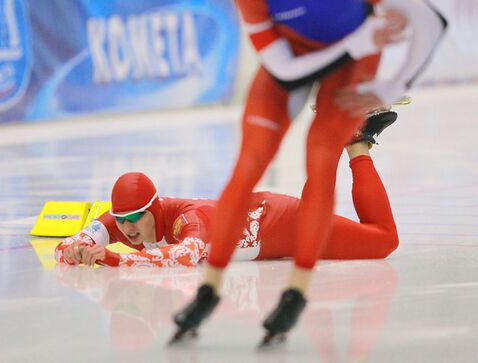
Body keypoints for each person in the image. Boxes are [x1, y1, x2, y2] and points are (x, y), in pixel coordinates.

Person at [172, 0, 447, 344]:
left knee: (320, 156)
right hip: (297, 60)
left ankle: (296, 294)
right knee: (250, 162)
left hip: (350, 68)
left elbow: (431, 22)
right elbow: (286, 72)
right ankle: (208, 291)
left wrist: (394, 85)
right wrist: (356, 43)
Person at [55, 133, 398, 269]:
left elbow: (186, 255)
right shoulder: (123, 219)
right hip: (270, 223)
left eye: (136, 218)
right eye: (122, 219)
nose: (128, 228)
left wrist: (112, 259)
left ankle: (346, 138)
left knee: (384, 240)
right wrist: (74, 249)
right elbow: (69, 244)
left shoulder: (189, 218)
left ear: (154, 208)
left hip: (285, 223)